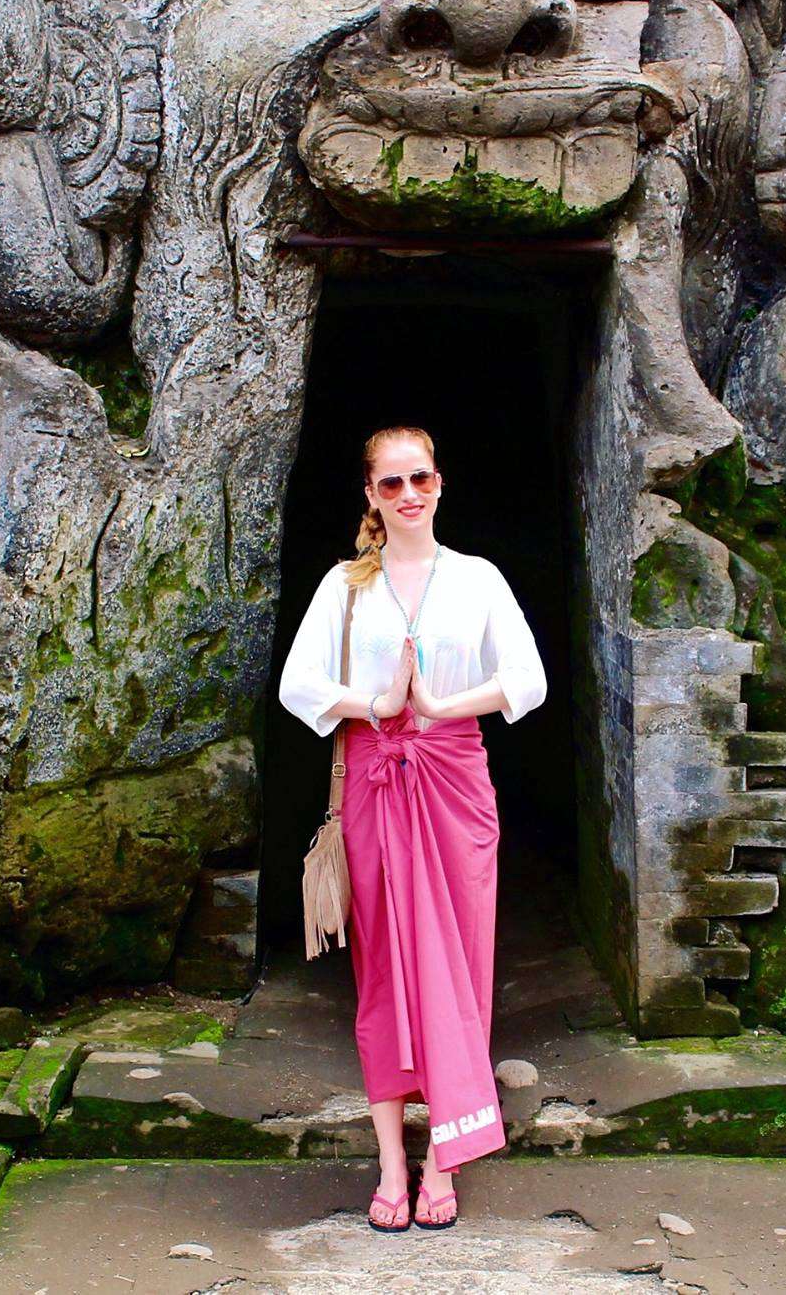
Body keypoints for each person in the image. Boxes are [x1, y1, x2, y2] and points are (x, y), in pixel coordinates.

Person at [278, 425, 547, 1232]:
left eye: (418, 478)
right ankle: (392, 1162)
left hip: (456, 781)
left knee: (459, 965)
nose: (407, 495)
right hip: (373, 782)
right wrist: (378, 706)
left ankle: (443, 1161)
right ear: (370, 493)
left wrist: (437, 706)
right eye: (390, 483)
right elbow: (299, 684)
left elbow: (526, 679)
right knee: (386, 969)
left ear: (440, 481)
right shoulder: (344, 587)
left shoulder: (478, 580)